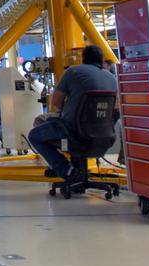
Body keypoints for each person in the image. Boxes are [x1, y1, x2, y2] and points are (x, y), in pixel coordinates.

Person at [27, 44, 118, 182]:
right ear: (101, 60)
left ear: (83, 58)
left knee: (34, 135)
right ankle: (74, 168)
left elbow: (56, 102)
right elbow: (116, 109)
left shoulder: (73, 71)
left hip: (72, 130)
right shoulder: (112, 78)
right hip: (103, 133)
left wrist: (64, 111)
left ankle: (66, 170)